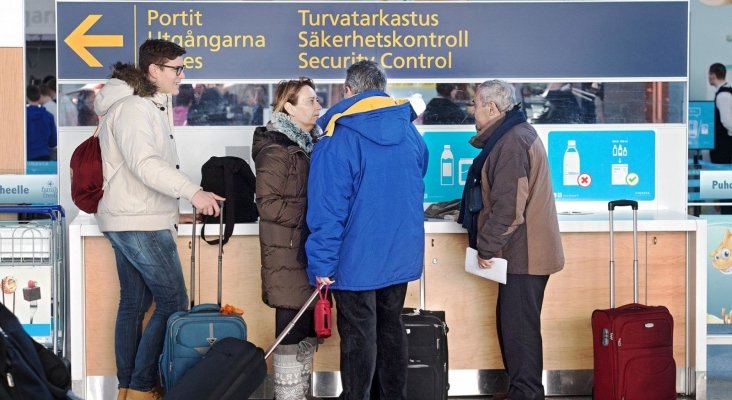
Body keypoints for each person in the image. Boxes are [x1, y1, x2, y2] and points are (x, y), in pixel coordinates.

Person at [93, 39, 224, 400]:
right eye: (176, 68)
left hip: (132, 215)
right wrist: (191, 191)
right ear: (154, 70)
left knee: (134, 303)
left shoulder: (142, 105)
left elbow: (136, 170)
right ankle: (139, 387)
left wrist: (177, 208)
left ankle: (127, 389)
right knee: (173, 302)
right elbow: (145, 165)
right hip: (139, 221)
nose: (182, 76)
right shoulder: (135, 108)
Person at [306, 60, 428, 400]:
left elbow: (327, 210)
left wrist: (322, 264)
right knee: (391, 327)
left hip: (356, 256)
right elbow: (420, 168)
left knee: (360, 336)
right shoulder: (408, 131)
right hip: (400, 252)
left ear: (348, 91)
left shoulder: (336, 138)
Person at [459, 80, 564, 400]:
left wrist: (486, 246)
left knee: (519, 330)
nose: (472, 111)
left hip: (525, 254)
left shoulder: (513, 142)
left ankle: (527, 393)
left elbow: (509, 208)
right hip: (522, 252)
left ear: (492, 108)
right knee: (514, 326)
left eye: (475, 105)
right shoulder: (513, 135)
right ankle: (521, 390)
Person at [252, 77, 323, 400]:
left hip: (303, 248)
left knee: (304, 325)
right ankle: (288, 395)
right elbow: (268, 205)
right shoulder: (276, 149)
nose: (318, 106)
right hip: (288, 250)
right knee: (291, 323)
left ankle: (299, 393)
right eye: (310, 101)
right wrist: (314, 216)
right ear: (289, 107)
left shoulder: (308, 145)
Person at [25, 84, 57, 161]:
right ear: (40, 97)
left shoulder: (22, 116)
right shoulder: (48, 116)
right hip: (44, 156)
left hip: (27, 157)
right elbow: (53, 142)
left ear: (26, 97)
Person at [709, 63, 732, 164]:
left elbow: (727, 121)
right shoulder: (726, 92)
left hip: (723, 143)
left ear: (713, 75)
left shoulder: (723, 95)